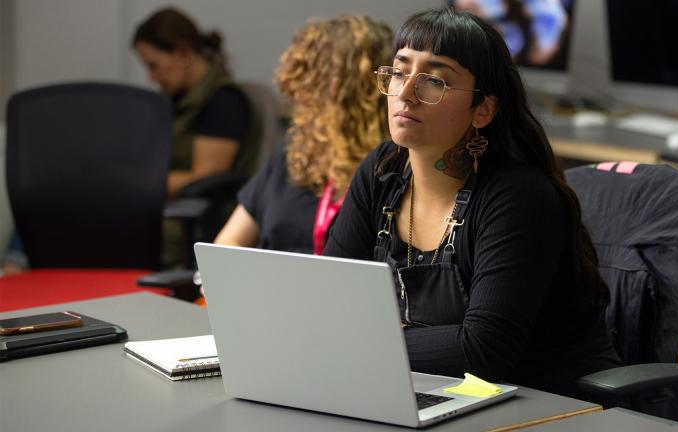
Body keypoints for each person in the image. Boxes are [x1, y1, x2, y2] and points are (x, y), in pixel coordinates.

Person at [323, 8, 620, 397]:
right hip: (427, 390)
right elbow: (328, 304)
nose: (406, 93)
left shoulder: (517, 197)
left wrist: (363, 343)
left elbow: (483, 349)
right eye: (399, 71)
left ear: (483, 110)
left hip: (543, 402)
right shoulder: (382, 171)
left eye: (434, 80)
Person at [214, 16, 392, 255]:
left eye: (307, 80)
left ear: (343, 93)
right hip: (271, 289)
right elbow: (227, 243)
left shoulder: (392, 172)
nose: (291, 89)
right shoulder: (292, 159)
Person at [133, 7, 258, 198]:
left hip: (195, 216)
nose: (151, 77)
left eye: (154, 66)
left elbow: (204, 178)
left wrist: (138, 182)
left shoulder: (224, 101)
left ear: (183, 55)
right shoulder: (176, 99)